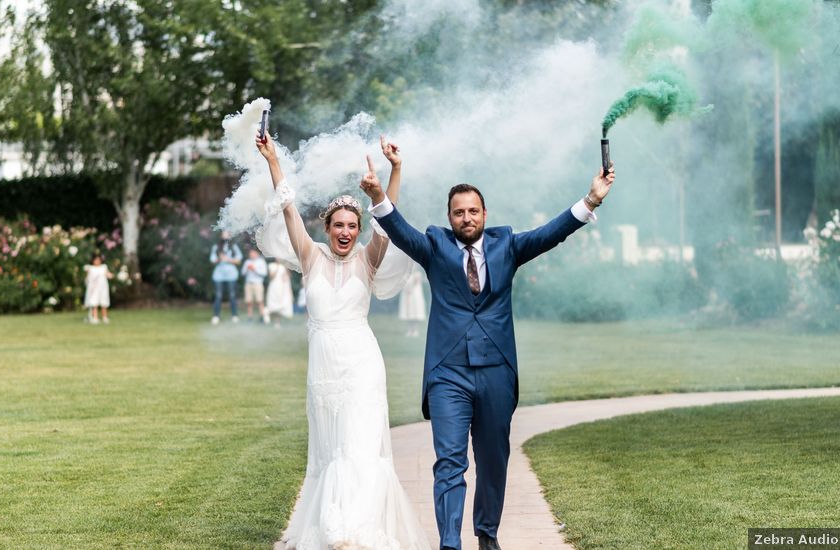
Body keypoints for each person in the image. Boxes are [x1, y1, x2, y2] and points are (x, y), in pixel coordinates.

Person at [363, 160, 616, 550]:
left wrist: (591, 201)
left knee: (493, 461)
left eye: (473, 211)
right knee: (449, 461)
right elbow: (400, 231)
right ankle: (450, 542)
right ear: (449, 218)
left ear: (485, 214)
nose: (467, 217)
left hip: (497, 370)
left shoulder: (508, 245)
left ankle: (487, 534)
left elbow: (551, 233)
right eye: (459, 212)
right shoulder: (434, 245)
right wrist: (379, 196)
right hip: (448, 372)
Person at [255, 131, 428, 549]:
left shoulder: (369, 259)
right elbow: (289, 210)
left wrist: (395, 170)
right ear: (328, 228)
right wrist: (273, 162)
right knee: (332, 451)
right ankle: (332, 526)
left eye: (353, 225)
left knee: (360, 448)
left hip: (362, 367)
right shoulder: (311, 257)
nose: (346, 231)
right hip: (323, 370)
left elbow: (388, 218)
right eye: (339, 225)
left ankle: (356, 531)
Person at [210, 231, 242, 325]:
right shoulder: (216, 247)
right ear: (220, 236)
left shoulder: (234, 247)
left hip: (231, 275)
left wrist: (228, 259)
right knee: (218, 295)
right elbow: (212, 260)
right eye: (224, 234)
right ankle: (216, 316)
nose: (225, 236)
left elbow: (238, 260)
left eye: (227, 234)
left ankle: (234, 316)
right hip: (218, 275)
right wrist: (219, 258)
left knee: (232, 295)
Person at [84, 254, 112, 324]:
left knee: (104, 302)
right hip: (94, 288)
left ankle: (104, 317)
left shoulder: (103, 267)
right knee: (94, 302)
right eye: (96, 260)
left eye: (98, 260)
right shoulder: (90, 268)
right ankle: (95, 317)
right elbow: (88, 279)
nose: (97, 261)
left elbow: (108, 275)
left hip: (103, 288)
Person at [241, 247, 268, 322]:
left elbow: (264, 273)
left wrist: (255, 269)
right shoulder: (247, 262)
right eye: (250, 253)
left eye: (253, 253)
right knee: (249, 301)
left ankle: (262, 317)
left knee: (260, 300)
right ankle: (250, 317)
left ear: (257, 254)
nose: (251, 255)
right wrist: (247, 269)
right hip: (248, 284)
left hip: (258, 283)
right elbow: (242, 273)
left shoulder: (261, 262)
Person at [264, 258, 293, 327]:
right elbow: (271, 277)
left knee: (280, 304)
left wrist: (286, 268)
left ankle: (277, 322)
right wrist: (277, 267)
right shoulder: (271, 265)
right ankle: (266, 314)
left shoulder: (284, 266)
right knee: (271, 303)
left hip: (282, 288)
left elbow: (287, 277)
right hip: (273, 287)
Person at [398, 270, 426, 337]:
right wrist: (406, 289)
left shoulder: (417, 273)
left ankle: (415, 330)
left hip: (415, 294)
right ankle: (410, 330)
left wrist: (410, 288)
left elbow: (416, 281)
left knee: (415, 311)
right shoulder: (405, 273)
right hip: (407, 294)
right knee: (408, 312)